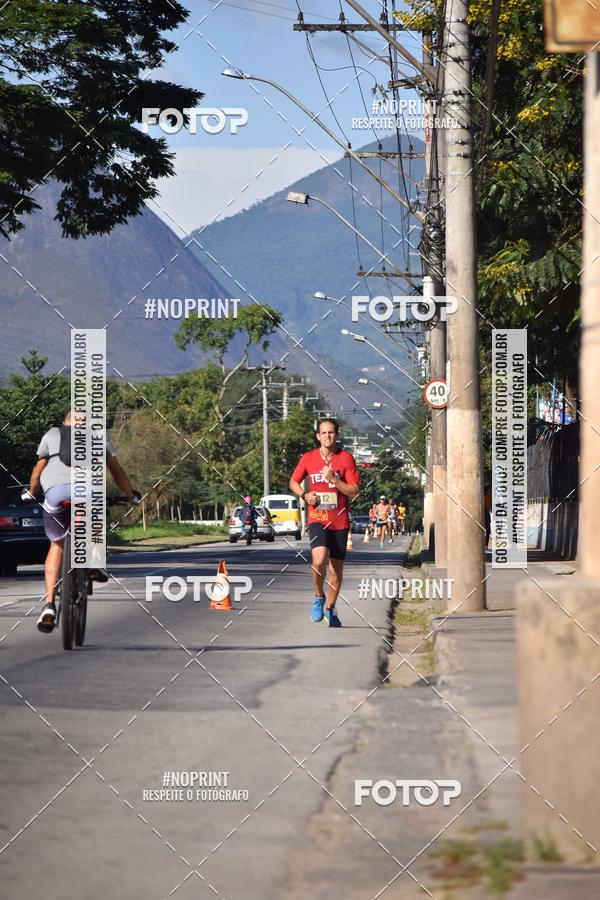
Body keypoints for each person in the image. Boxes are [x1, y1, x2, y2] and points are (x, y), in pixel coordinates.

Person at [26, 410, 140, 633]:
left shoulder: (52, 434)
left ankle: (49, 605)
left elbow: (38, 470)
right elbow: (116, 471)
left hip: (56, 495)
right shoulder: (98, 436)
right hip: (88, 493)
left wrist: (31, 492)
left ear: (65, 423)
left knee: (56, 546)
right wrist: (130, 496)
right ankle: (96, 562)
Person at [289, 418, 360, 627]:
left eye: (331, 432)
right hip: (317, 518)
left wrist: (335, 480)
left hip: (339, 520)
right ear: (318, 436)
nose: (327, 436)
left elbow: (354, 490)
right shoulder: (309, 458)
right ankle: (319, 597)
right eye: (323, 432)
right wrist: (304, 495)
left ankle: (331, 607)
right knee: (318, 560)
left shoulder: (346, 459)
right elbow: (293, 481)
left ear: (337, 435)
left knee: (336, 571)